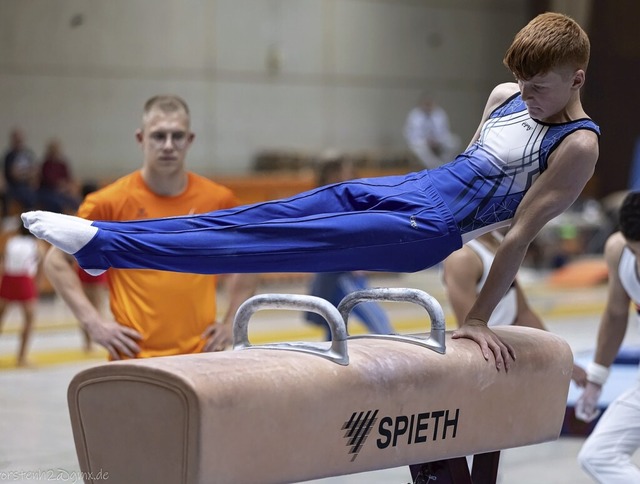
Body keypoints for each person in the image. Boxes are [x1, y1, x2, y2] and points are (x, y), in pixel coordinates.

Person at [21, 12, 599, 371]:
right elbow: (468, 162)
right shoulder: (504, 95)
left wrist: (475, 318)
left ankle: (109, 248)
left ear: (576, 78)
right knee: (261, 215)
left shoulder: (578, 145)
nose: (526, 95)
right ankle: (101, 245)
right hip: (412, 187)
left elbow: (519, 234)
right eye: (522, 83)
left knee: (276, 244)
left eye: (540, 87)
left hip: (427, 229)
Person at [36, 95, 258, 360]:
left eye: (177, 136)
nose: (168, 146)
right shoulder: (109, 203)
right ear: (141, 139)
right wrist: (94, 324)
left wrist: (232, 321)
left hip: (200, 356)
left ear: (190, 140)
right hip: (133, 357)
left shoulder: (217, 200)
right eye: (158, 136)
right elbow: (55, 261)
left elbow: (252, 256)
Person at [442, 230, 587, 384]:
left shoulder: (500, 241)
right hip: (491, 358)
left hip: (509, 352)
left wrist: (561, 357)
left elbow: (523, 312)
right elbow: (469, 329)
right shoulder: (462, 257)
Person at [575, 191, 640, 483]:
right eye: (636, 250)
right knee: (597, 455)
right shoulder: (618, 250)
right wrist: (596, 380)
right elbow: (615, 315)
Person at [304, 155, 394, 338]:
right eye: (343, 172)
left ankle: (331, 360)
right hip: (340, 275)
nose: (349, 176)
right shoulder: (326, 203)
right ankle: (393, 345)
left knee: (335, 329)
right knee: (376, 323)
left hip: (348, 273)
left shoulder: (352, 200)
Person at [0, 224, 46, 367]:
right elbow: (41, 265)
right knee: (30, 319)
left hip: (9, 277)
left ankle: (22, 357)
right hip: (24, 279)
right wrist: (37, 285)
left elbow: (4, 261)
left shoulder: (10, 240)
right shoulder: (37, 244)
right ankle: (22, 357)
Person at [403, 93, 460, 169]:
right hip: (421, 142)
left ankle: (445, 163)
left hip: (438, 140)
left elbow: (445, 131)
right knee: (420, 149)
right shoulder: (414, 115)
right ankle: (435, 167)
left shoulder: (439, 113)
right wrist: (426, 140)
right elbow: (409, 134)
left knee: (454, 142)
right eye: (426, 104)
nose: (428, 106)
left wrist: (437, 140)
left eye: (430, 104)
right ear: (421, 104)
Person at [37, 139, 81, 214]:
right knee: (58, 203)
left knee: (76, 201)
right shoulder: (46, 164)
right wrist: (59, 186)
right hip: (48, 192)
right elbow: (47, 180)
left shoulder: (62, 164)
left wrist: (66, 187)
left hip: (62, 191)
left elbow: (68, 179)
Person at [3, 128, 38, 215]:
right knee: (26, 195)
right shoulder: (9, 155)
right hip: (14, 186)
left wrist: (24, 174)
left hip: (28, 185)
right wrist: (27, 174)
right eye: (17, 140)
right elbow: (14, 175)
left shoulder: (28, 154)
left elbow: (34, 171)